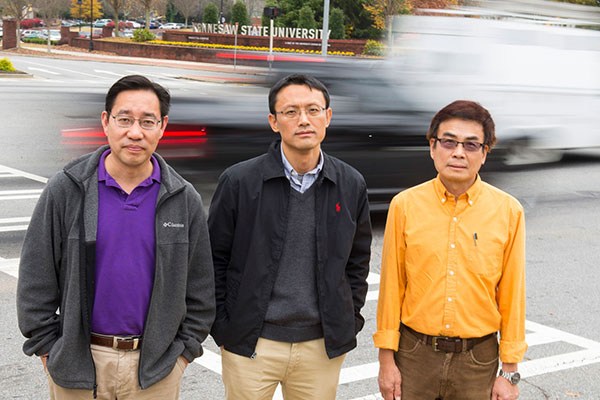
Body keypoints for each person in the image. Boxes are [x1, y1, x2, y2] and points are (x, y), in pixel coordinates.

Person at [17, 75, 215, 400]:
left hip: (156, 372)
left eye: (147, 122)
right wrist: (49, 349)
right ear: (106, 122)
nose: (135, 132)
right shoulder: (66, 190)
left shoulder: (182, 198)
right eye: (124, 119)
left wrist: (181, 355)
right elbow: (35, 279)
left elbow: (201, 289)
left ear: (162, 126)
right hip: (78, 365)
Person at [208, 73, 372, 400]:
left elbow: (357, 261)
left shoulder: (350, 183)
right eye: (291, 111)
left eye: (313, 110)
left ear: (328, 116)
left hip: (320, 346)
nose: (303, 120)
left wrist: (348, 320)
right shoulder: (240, 181)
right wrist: (225, 328)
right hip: (253, 343)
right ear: (273, 121)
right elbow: (213, 260)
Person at [374, 100, 526, 400]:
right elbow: (393, 287)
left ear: (485, 153)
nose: (458, 152)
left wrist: (509, 372)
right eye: (448, 142)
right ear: (433, 148)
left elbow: (512, 294)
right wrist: (386, 361)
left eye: (471, 145)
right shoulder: (405, 205)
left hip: (477, 360)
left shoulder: (508, 211)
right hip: (415, 355)